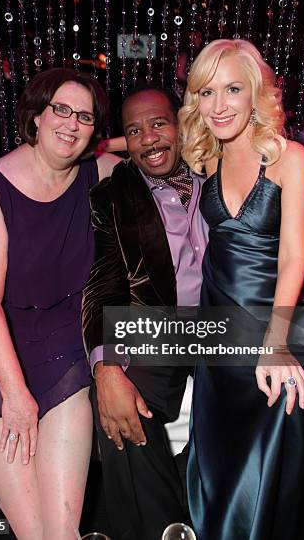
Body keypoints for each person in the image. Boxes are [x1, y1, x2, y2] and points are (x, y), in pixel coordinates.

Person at [179, 39, 304, 540]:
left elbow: (295, 256)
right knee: (223, 448)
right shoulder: (203, 161)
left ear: (256, 94)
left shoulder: (290, 157)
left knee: (279, 427)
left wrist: (275, 343)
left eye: (233, 89)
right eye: (206, 92)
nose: (219, 105)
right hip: (221, 318)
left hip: (281, 314)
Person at [0, 68, 116, 539]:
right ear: (37, 116)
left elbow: (149, 152)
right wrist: (17, 396)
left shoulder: (93, 171)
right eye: (61, 109)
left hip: (60, 338)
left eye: (84, 116)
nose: (71, 123)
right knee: (33, 532)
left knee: (62, 531)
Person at [82, 86, 209, 540]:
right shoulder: (112, 196)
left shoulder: (215, 170)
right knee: (119, 406)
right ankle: (166, 529)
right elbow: (103, 284)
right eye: (134, 131)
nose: (149, 139)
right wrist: (107, 366)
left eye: (159, 124)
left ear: (181, 124)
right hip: (158, 325)